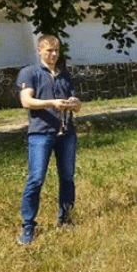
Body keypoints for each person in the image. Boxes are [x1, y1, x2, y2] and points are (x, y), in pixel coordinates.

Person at [16, 35, 82, 245]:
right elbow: (26, 101)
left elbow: (78, 106)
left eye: (56, 51)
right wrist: (52, 102)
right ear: (39, 50)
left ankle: (65, 219)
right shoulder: (30, 72)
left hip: (66, 133)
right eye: (49, 51)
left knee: (67, 177)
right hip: (40, 134)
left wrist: (74, 103)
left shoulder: (65, 76)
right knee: (35, 179)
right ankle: (28, 226)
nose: (53, 55)